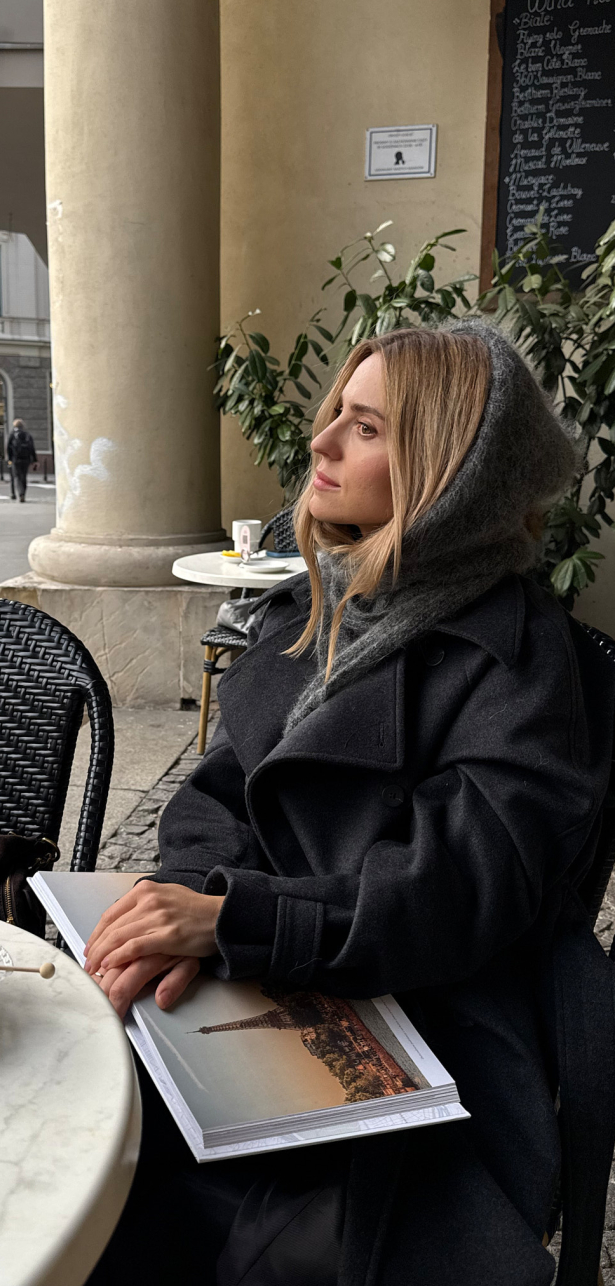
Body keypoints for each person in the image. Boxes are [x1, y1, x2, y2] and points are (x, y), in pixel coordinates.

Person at [82, 319, 615, 1286]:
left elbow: (448, 893)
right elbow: (214, 792)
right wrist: (188, 911)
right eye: (337, 412)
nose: (320, 440)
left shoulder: (522, 663)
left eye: (365, 428)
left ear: (456, 471)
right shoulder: (315, 604)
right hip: (254, 972)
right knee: (83, 1147)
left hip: (428, 1025)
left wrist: (234, 919)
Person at [6, 417, 37, 501]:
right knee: (24, 477)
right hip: (26, 459)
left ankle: (19, 493)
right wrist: (34, 460)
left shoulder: (13, 434)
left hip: (15, 459)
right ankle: (23, 494)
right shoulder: (27, 435)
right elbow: (32, 448)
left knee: (17, 476)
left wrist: (9, 459)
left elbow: (8, 447)